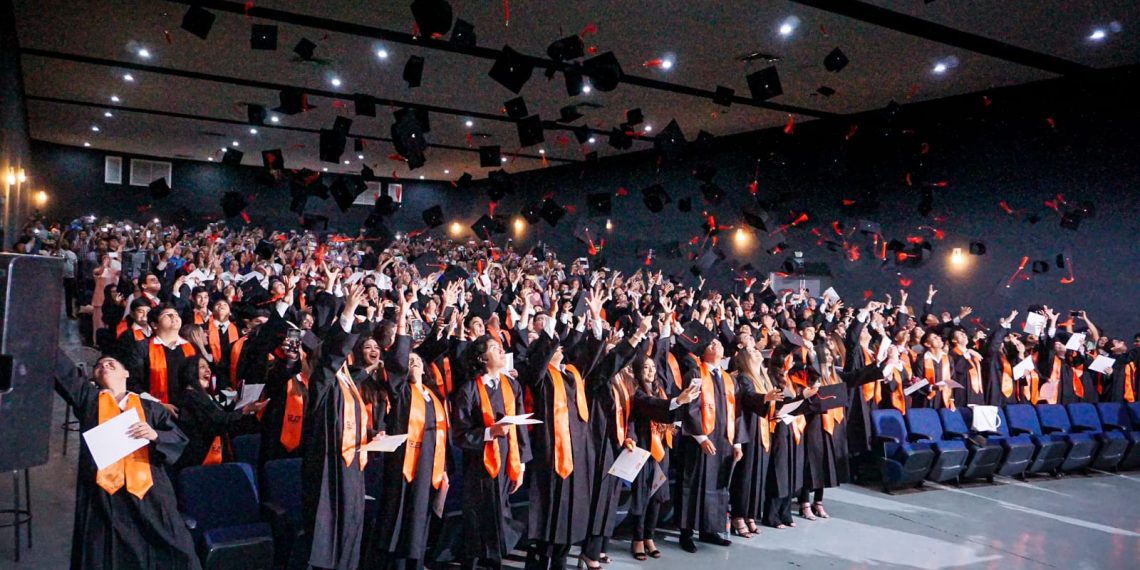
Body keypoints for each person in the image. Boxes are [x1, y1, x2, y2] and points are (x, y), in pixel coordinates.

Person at [55, 355, 200, 569]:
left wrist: (155, 435)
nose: (104, 365)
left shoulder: (151, 408)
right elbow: (63, 371)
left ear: (126, 373)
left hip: (150, 495)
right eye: (99, 365)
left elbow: (179, 439)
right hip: (104, 498)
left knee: (177, 553)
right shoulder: (89, 400)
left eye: (111, 362)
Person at [301, 282, 372, 570]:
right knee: (328, 530)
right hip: (328, 464)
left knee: (352, 525)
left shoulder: (349, 386)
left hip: (352, 465)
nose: (344, 358)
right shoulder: (321, 383)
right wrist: (348, 312)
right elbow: (331, 356)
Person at [450, 334, 532, 570]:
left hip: (507, 460)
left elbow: (519, 427)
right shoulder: (469, 389)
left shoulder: (512, 385)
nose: (500, 351)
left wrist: (521, 466)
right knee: (479, 517)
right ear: (482, 358)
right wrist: (488, 433)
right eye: (494, 348)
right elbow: (459, 434)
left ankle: (494, 562)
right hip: (480, 463)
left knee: (501, 513)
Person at [368, 351, 448, 570]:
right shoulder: (402, 392)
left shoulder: (434, 397)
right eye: (409, 361)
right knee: (402, 519)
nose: (413, 363)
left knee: (421, 520)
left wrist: (444, 468)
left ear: (424, 368)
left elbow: (441, 437)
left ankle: (417, 562)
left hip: (429, 467)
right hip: (405, 467)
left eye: (417, 361)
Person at [676, 335, 746, 553]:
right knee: (694, 483)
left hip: (724, 440)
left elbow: (737, 411)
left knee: (717, 485)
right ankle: (686, 533)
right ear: (704, 352)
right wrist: (701, 437)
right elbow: (689, 408)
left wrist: (737, 443)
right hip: (702, 441)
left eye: (719, 343)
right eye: (712, 344)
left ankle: (709, 530)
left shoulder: (728, 379)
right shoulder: (695, 374)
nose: (717, 345)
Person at [174, 358, 264, 469]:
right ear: (190, 372)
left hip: (218, 454)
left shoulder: (204, 396)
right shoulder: (189, 397)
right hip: (202, 460)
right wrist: (244, 410)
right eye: (202, 367)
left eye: (208, 367)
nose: (208, 370)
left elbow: (220, 414)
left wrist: (235, 404)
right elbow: (216, 420)